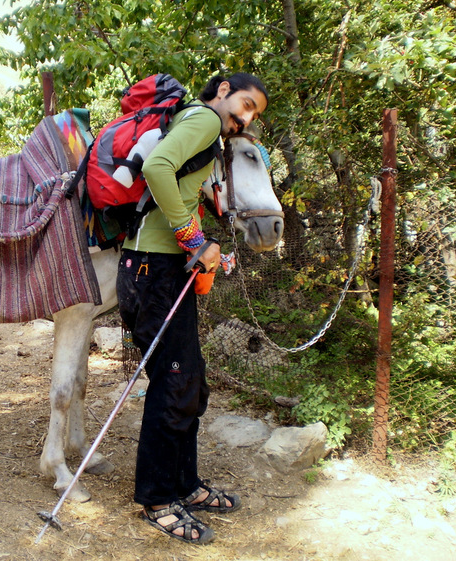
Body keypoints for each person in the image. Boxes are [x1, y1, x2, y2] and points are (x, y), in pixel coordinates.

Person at [117, 72, 269, 545]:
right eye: (244, 104)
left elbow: (179, 187)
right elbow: (158, 168)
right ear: (223, 90)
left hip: (161, 273)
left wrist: (206, 244)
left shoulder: (200, 129)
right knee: (175, 382)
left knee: (189, 381)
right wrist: (193, 239)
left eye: (254, 114)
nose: (245, 118)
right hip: (153, 271)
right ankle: (159, 499)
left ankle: (185, 485)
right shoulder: (203, 117)